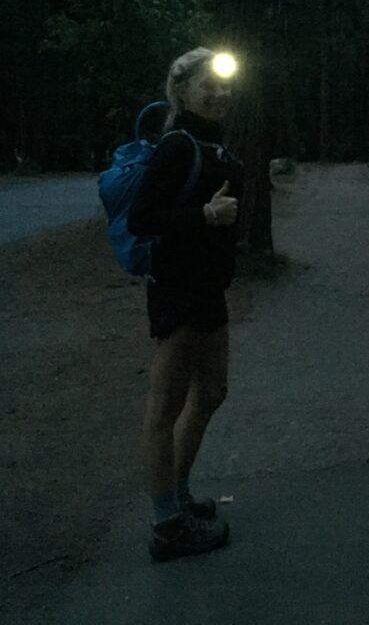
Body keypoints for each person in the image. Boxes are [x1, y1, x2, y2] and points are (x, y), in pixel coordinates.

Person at [127, 47, 244, 561]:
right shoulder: (176, 144)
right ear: (182, 92)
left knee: (213, 392)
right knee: (164, 409)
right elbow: (142, 218)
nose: (218, 94)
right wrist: (204, 215)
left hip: (208, 291)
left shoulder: (212, 144)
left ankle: (176, 493)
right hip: (177, 290)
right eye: (206, 86)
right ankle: (166, 527)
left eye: (224, 87)